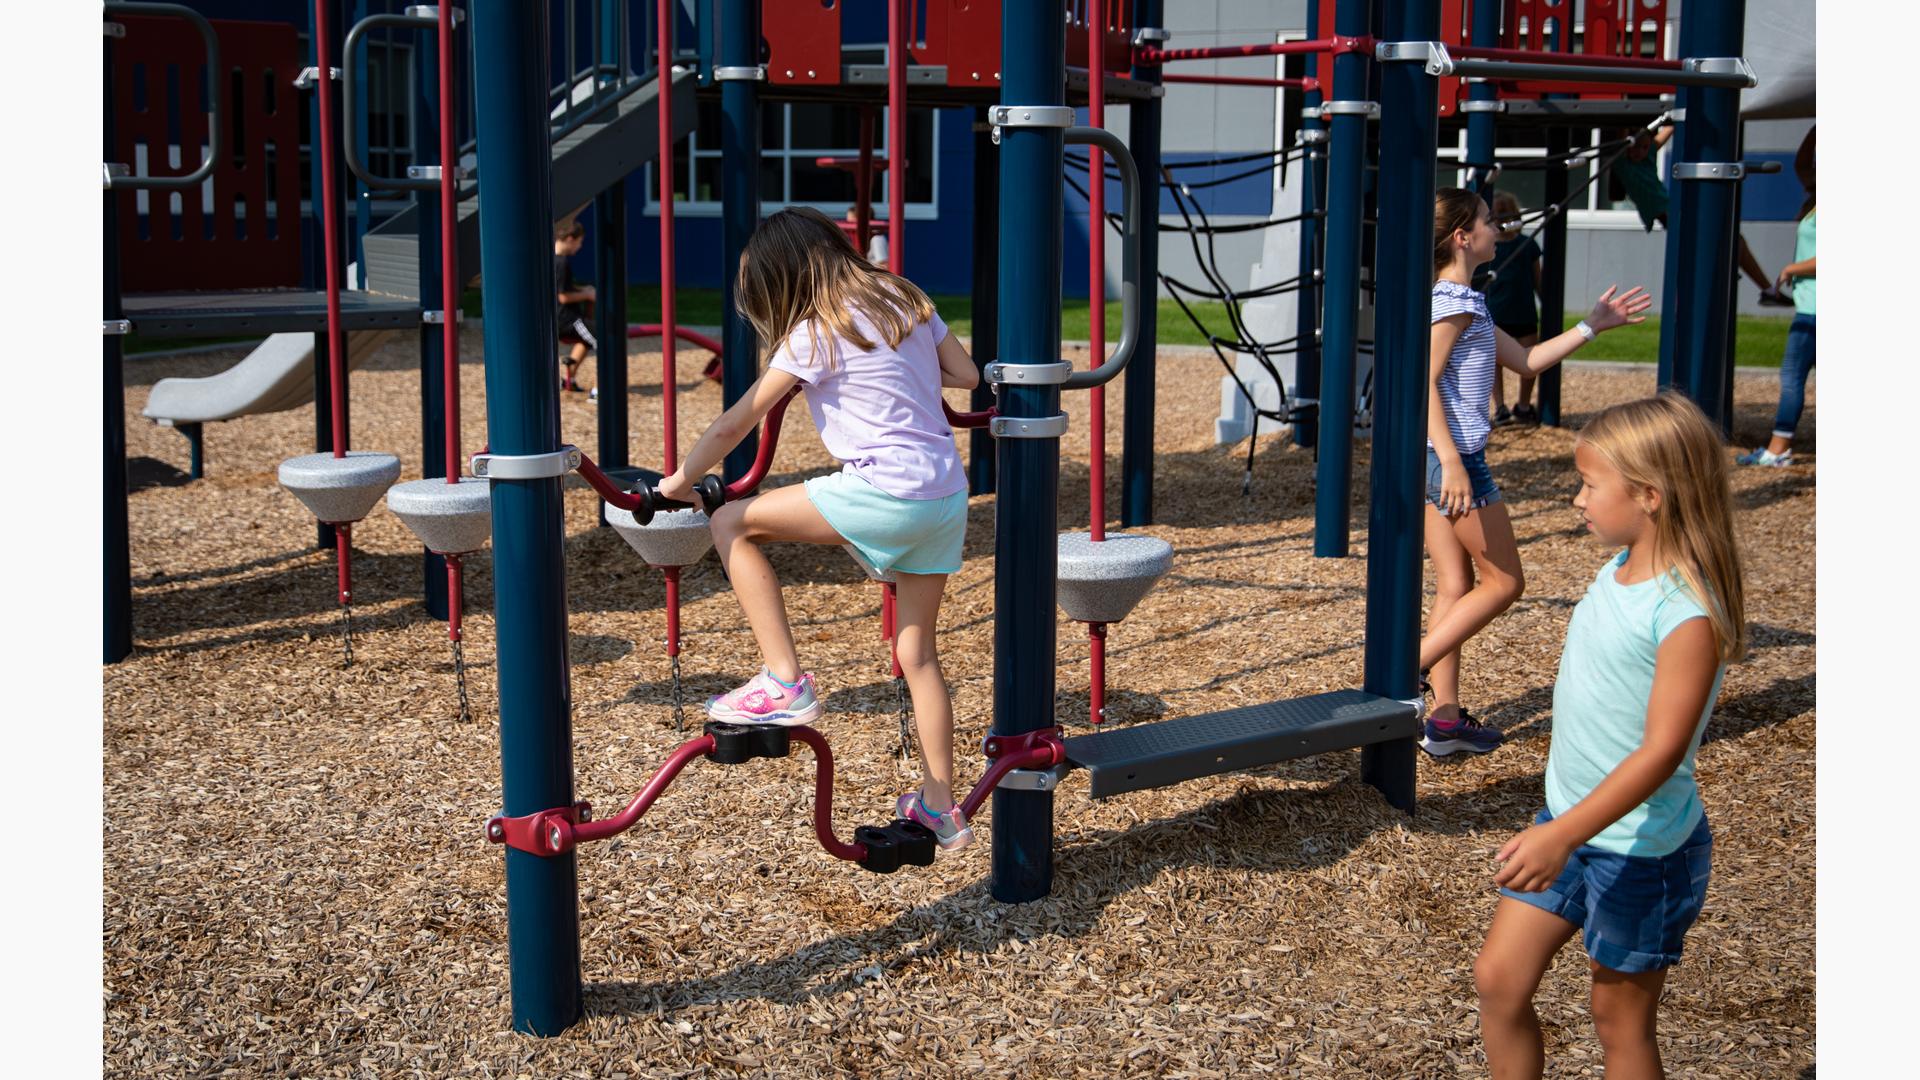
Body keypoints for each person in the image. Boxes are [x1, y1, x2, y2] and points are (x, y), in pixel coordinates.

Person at [655, 206, 981, 851]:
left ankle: (783, 678)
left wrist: (677, 481)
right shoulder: (902, 296)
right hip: (944, 497)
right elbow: (966, 377)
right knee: (917, 655)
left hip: (882, 489)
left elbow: (736, 422)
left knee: (730, 524)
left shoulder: (815, 329)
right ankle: (941, 805)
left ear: (785, 275)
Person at [1475, 393, 1744, 1080]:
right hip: (1568, 826)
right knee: (1499, 983)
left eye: (1590, 485)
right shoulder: (1615, 572)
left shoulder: (1685, 612)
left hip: (1641, 852)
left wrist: (1561, 835)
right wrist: (1561, 829)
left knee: (1618, 1024)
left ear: (1650, 495)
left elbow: (1661, 752)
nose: (1576, 499)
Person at [1421, 188, 1651, 757]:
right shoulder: (1453, 303)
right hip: (1453, 460)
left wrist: (1593, 326)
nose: (1496, 228)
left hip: (1429, 458)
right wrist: (1452, 462)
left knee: (1456, 585)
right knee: (1506, 583)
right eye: (1487, 221)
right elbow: (1420, 380)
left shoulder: (1462, 300)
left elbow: (1526, 361)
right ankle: (1404, 669)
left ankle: (1444, 721)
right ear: (1462, 237)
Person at [1740, 128, 1816, 467]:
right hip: (1810, 305)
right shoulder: (1817, 196)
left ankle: (1777, 449)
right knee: (1793, 377)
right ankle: (1777, 448)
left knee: (1792, 379)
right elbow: (1802, 162)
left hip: (1815, 310)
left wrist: (1792, 268)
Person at [1482, 191, 1543, 427]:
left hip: (1523, 311)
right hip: (1497, 311)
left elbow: (1538, 279)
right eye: (1498, 213)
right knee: (1493, 361)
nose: (1503, 218)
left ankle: (1524, 405)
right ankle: (1499, 407)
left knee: (1530, 359)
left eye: (1507, 213)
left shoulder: (1527, 245)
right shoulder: (1490, 248)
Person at [554, 220, 596, 393]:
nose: (579, 247)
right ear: (570, 239)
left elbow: (561, 287)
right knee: (605, 338)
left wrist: (581, 289)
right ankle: (600, 391)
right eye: (580, 242)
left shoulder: (551, 259)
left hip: (559, 318)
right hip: (567, 319)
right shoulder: (561, 263)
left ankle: (568, 380)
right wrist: (587, 294)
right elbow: (563, 296)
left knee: (586, 340)